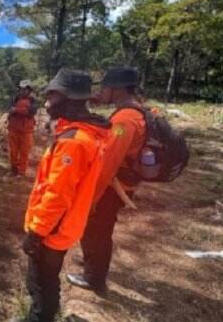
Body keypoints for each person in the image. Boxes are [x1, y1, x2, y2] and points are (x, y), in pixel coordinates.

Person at [14, 69, 110, 322]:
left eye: (53, 96)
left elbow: (57, 195)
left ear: (70, 99)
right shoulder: (84, 133)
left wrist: (36, 234)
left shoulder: (74, 142)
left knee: (40, 283)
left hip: (52, 231)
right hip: (63, 226)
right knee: (47, 281)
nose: (46, 103)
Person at [67, 67, 147, 293]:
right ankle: (92, 262)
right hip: (121, 183)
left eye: (105, 87)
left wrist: (92, 195)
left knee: (97, 230)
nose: (102, 91)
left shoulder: (124, 120)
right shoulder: (135, 110)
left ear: (117, 89)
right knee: (98, 229)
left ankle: (94, 279)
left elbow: (108, 162)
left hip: (113, 186)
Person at [7, 80, 37, 176]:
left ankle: (21, 171)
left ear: (29, 90)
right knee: (13, 151)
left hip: (26, 131)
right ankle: (13, 170)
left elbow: (31, 112)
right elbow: (10, 110)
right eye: (21, 89)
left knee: (24, 152)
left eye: (25, 89)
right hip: (13, 129)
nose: (23, 91)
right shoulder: (14, 99)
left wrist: (16, 110)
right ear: (19, 89)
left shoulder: (33, 100)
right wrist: (17, 111)